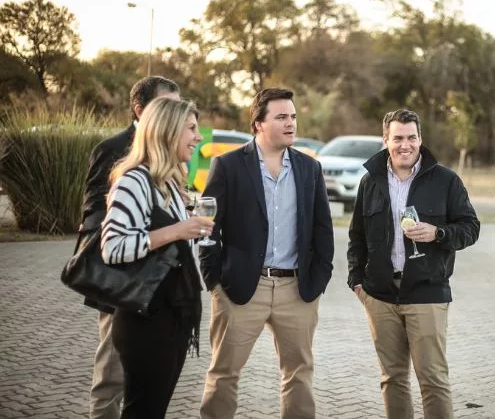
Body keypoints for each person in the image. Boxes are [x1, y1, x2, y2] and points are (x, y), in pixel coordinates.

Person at [199, 87, 334, 419]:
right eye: (281, 117)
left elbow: (322, 228)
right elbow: (207, 226)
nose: (291, 123)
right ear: (258, 123)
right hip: (241, 288)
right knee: (224, 373)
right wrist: (214, 281)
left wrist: (318, 279)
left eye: (293, 117)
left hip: (296, 290)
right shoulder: (228, 166)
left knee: (299, 374)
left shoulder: (309, 168)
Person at [347, 109, 480, 419]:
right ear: (385, 140)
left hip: (427, 293)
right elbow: (357, 236)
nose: (404, 145)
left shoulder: (445, 180)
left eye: (411, 138)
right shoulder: (371, 181)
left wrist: (439, 233)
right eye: (397, 138)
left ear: (420, 139)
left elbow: (471, 228)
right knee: (392, 379)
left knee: (433, 380)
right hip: (380, 295)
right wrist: (357, 282)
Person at [100, 97, 211, 418]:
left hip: (172, 317)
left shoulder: (170, 184)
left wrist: (193, 232)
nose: (198, 137)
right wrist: (177, 230)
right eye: (191, 128)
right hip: (144, 321)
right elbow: (112, 248)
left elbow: (175, 245)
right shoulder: (134, 181)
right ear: (167, 131)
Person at [79, 76, 179, 419]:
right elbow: (94, 213)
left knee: (146, 381)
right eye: (167, 106)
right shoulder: (112, 149)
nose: (175, 115)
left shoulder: (171, 150)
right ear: (139, 109)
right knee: (111, 375)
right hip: (122, 280)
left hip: (159, 286)